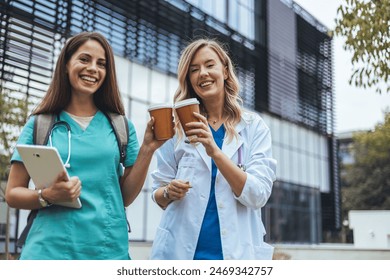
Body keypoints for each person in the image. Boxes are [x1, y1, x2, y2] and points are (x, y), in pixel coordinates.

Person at [5, 31, 165, 260]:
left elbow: (125, 197)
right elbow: (12, 193)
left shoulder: (121, 126)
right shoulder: (40, 124)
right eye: (84, 59)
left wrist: (148, 149)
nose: (93, 68)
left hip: (106, 250)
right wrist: (48, 195)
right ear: (66, 65)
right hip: (48, 252)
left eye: (101, 64)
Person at [150, 38, 277, 260]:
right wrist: (169, 191)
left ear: (225, 71)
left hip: (236, 255)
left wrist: (215, 151)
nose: (203, 74)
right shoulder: (176, 127)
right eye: (194, 69)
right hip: (180, 254)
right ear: (188, 78)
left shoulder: (253, 127)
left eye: (210, 65)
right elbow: (158, 194)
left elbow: (258, 195)